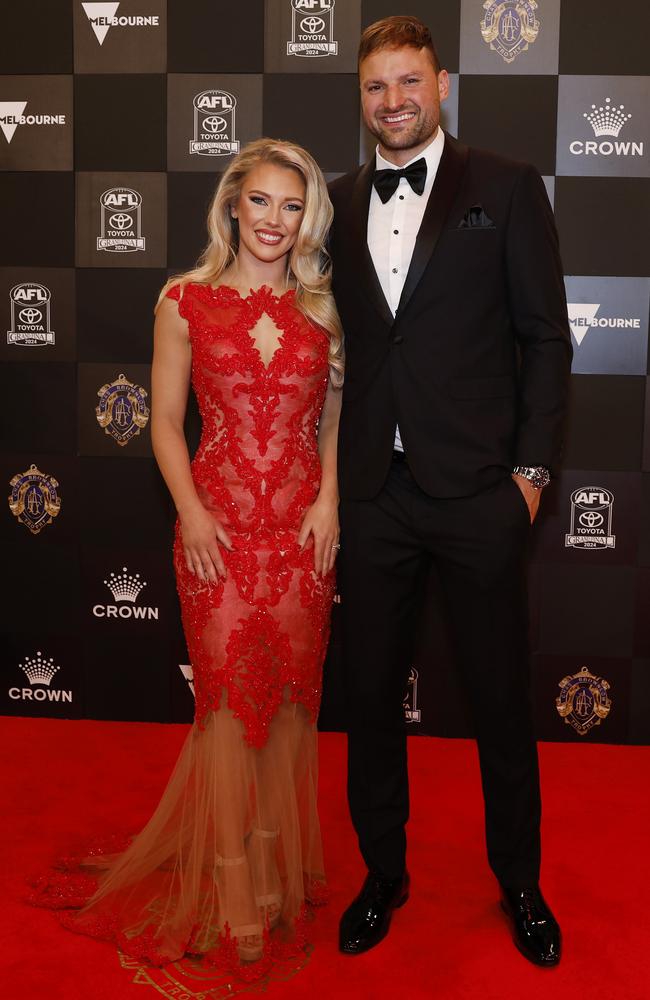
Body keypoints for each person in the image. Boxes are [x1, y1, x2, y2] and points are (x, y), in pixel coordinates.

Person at [31, 138, 343, 974]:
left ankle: (274, 854)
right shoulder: (185, 299)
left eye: (290, 205)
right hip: (221, 535)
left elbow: (332, 419)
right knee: (225, 711)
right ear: (232, 205)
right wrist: (194, 514)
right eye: (260, 202)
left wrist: (329, 501)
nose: (274, 221)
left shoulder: (322, 308)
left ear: (304, 214)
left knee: (285, 707)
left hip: (301, 539)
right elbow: (167, 422)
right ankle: (234, 879)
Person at [328, 16, 572, 966]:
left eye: (408, 82)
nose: (393, 101)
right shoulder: (339, 201)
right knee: (371, 696)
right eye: (375, 87)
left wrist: (529, 479)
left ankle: (520, 882)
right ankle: (382, 873)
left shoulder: (506, 187)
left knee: (500, 702)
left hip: (478, 494)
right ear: (361, 98)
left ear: (442, 85)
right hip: (373, 495)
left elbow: (546, 341)